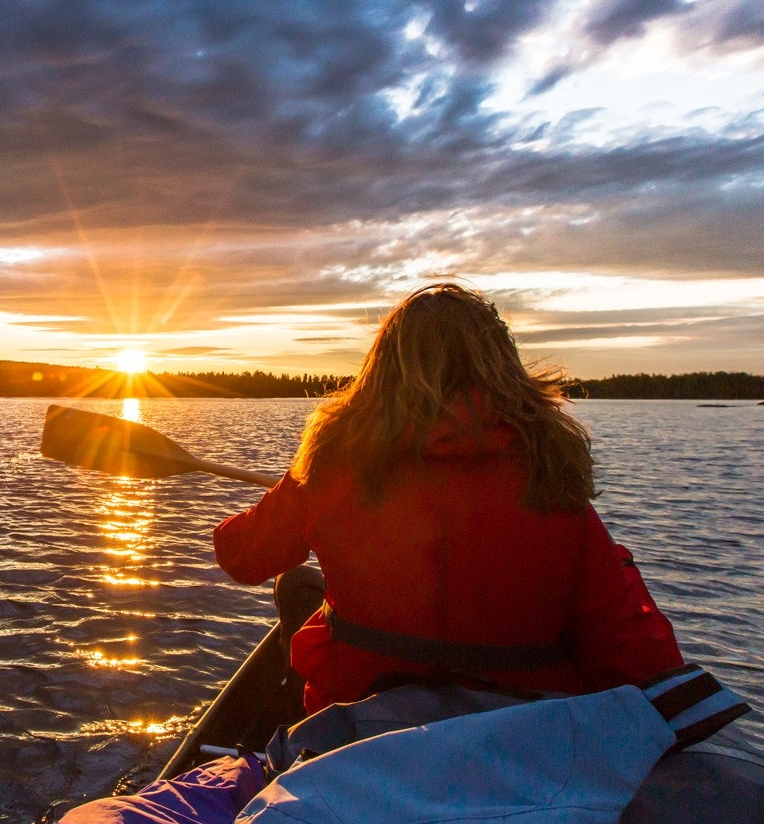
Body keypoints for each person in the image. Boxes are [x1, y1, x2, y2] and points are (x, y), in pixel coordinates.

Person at [213, 283, 683, 714]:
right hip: (521, 741)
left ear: (383, 368)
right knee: (301, 585)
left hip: (360, 733)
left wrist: (298, 491)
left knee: (297, 585)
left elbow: (240, 557)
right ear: (503, 366)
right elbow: (638, 660)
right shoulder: (552, 475)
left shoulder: (336, 462)